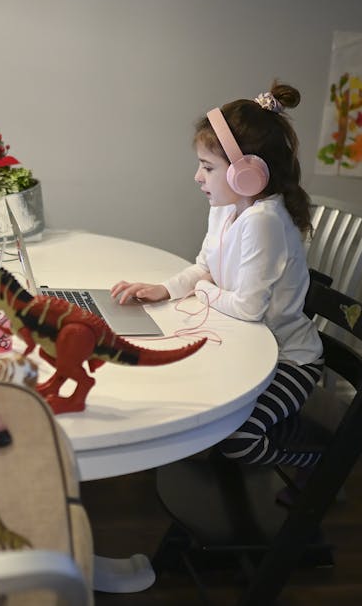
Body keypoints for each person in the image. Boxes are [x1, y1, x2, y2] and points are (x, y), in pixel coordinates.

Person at [111, 81, 324, 469]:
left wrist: (203, 291)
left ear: (248, 173)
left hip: (290, 361)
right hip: (250, 346)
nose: (197, 177)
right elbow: (204, 267)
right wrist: (166, 289)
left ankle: (316, 466)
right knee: (191, 399)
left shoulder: (264, 222)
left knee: (239, 438)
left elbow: (247, 309)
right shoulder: (226, 207)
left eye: (208, 167)